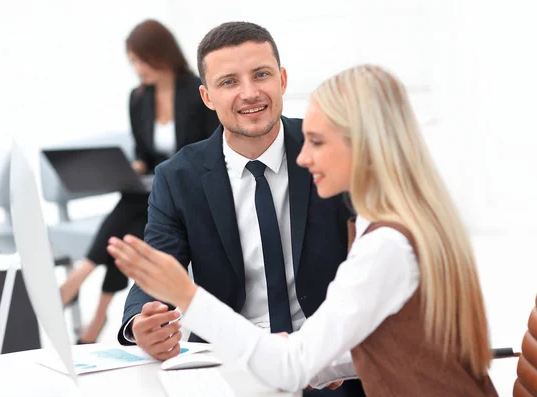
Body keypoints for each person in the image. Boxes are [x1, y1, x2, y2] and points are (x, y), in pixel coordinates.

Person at [108, 64, 499, 396]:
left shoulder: (388, 245)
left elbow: (291, 370)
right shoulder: (409, 222)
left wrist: (187, 296)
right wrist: (313, 353)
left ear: (364, 145)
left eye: (316, 142)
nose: (303, 156)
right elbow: (393, 338)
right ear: (207, 95)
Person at [114, 22, 364, 397]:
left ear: (281, 79)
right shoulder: (177, 177)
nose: (249, 93)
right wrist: (140, 323)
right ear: (207, 96)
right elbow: (158, 266)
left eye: (261, 74)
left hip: (328, 364)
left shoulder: (333, 153)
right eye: (229, 82)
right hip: (227, 364)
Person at [59, 19, 218, 344]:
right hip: (152, 187)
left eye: (141, 59)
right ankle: (97, 312)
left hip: (191, 182)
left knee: (136, 219)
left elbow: (209, 145)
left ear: (162, 54)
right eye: (132, 61)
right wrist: (135, 165)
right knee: (135, 213)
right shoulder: (138, 98)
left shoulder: (195, 90)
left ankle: (84, 278)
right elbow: (145, 152)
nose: (138, 68)